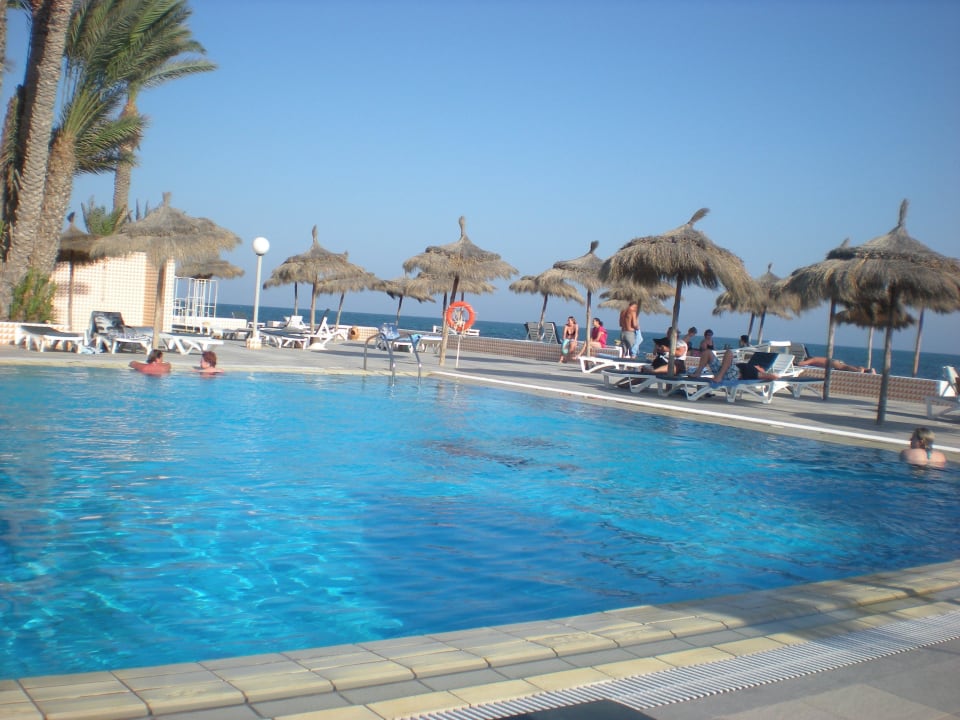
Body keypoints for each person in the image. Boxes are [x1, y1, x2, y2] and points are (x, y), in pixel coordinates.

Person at [692, 347, 782, 382]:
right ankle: (698, 373)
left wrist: (775, 375)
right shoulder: (752, 367)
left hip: (732, 375)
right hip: (725, 371)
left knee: (729, 352)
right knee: (707, 352)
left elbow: (772, 376)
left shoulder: (753, 371)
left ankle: (719, 377)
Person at [799, 356, 876, 373]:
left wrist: (798, 363)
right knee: (846, 366)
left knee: (845, 367)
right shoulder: (816, 359)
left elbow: (803, 363)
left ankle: (859, 370)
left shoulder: (813, 359)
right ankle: (867, 370)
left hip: (833, 363)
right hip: (834, 361)